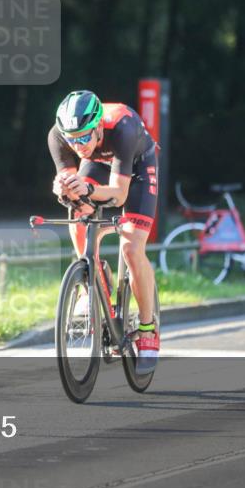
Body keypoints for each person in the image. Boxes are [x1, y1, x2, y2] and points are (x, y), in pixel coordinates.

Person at [47, 90, 160, 371]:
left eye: (84, 137)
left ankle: (148, 329)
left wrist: (87, 188)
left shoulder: (123, 128)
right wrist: (63, 187)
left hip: (138, 166)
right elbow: (70, 183)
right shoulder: (59, 136)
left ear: (98, 127)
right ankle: (92, 280)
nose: (78, 146)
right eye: (72, 140)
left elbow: (119, 196)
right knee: (77, 208)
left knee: (131, 248)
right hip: (98, 165)